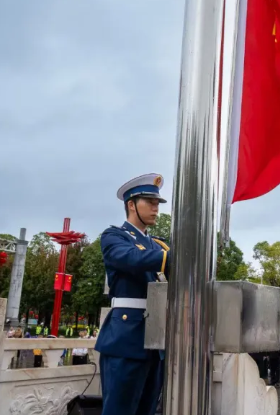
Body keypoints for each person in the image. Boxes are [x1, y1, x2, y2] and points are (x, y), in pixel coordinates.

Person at [95, 173, 171, 415]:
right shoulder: (114, 236)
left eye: (157, 203)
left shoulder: (158, 245)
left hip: (155, 340)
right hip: (126, 337)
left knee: (146, 410)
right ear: (131, 205)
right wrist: (175, 257)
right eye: (150, 202)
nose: (155, 208)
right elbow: (132, 259)